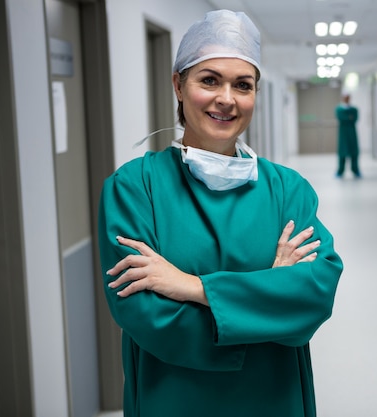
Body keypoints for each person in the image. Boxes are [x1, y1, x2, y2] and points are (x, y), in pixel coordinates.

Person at [98, 9, 343, 417]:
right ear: (178, 85)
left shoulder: (287, 189)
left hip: (274, 397)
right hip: (173, 396)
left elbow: (315, 294)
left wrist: (191, 287)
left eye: (242, 85)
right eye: (209, 80)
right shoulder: (135, 187)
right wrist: (268, 302)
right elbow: (140, 311)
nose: (226, 99)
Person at [335, 93, 361, 178]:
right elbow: (342, 118)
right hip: (343, 134)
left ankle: (355, 170)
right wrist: (349, 117)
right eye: (345, 98)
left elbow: (355, 118)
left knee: (354, 153)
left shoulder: (354, 109)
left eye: (348, 98)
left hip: (352, 134)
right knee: (342, 153)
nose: (346, 99)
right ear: (342, 98)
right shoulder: (339, 109)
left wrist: (348, 118)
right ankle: (340, 171)